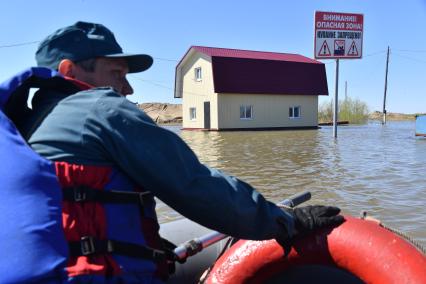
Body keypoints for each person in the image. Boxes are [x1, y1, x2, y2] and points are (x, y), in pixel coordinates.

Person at [17, 21, 343, 282]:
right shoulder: (101, 110)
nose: (128, 89)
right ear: (68, 71)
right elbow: (193, 184)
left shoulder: (24, 128)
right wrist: (284, 221)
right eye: (116, 74)